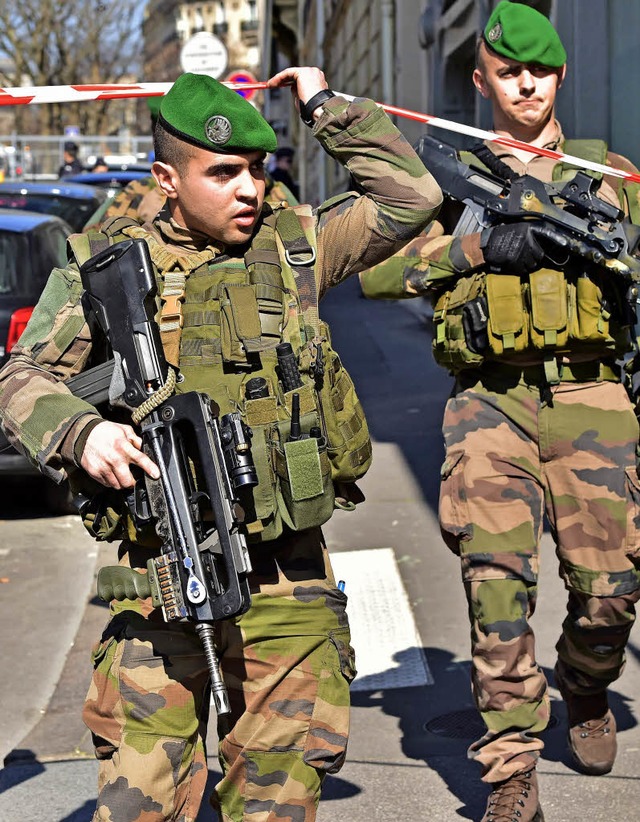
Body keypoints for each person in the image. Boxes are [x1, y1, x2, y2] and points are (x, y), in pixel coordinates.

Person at [0, 68, 441, 821]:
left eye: (259, 169)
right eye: (225, 172)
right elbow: (20, 376)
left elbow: (412, 195)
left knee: (274, 804)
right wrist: (82, 432)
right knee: (140, 803)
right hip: (160, 582)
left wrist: (324, 107)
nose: (250, 189)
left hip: (286, 585)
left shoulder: (297, 243)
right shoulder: (104, 268)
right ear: (166, 178)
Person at [361, 3, 640, 820]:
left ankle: (585, 685)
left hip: (596, 396)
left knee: (610, 590)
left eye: (540, 70)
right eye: (508, 71)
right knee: (497, 587)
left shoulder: (611, 176)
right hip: (490, 402)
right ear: (480, 81)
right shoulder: (453, 177)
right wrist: (477, 245)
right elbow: (378, 275)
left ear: (560, 76)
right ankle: (510, 764)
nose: (526, 83)